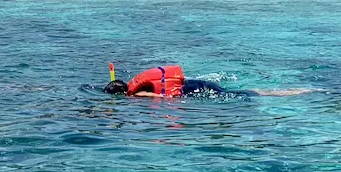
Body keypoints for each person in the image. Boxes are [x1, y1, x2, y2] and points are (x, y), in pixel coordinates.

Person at [103, 64, 313, 98]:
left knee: (237, 94)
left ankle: (287, 92)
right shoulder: (134, 83)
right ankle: (288, 91)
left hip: (191, 91)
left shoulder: (136, 93)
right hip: (192, 83)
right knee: (233, 91)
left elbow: (156, 96)